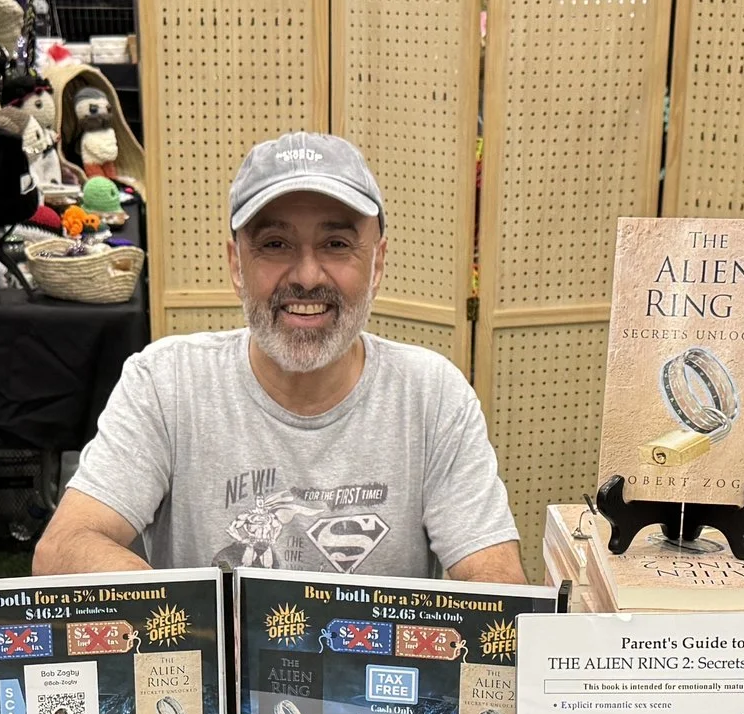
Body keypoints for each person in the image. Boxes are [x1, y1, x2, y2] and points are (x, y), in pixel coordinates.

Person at [35, 133, 522, 583]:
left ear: (377, 264)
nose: (307, 276)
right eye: (274, 244)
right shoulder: (166, 385)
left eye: (337, 244)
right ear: (235, 265)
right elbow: (62, 551)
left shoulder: (432, 397)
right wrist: (211, 620)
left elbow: (497, 587)